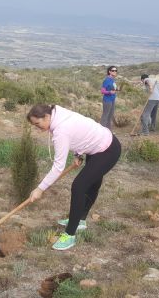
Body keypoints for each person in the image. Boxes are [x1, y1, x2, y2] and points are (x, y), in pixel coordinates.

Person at [27, 104, 121, 251]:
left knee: (79, 187)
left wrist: (40, 188)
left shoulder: (61, 130)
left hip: (108, 150)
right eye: (34, 125)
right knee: (91, 184)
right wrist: (78, 153)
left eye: (37, 124)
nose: (36, 127)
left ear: (46, 116)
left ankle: (70, 235)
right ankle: (80, 220)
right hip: (97, 147)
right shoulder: (57, 113)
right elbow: (79, 131)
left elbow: (58, 167)